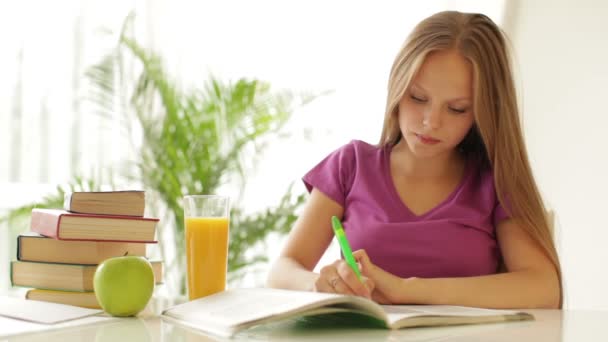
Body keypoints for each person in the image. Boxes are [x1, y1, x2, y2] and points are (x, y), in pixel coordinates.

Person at [266, 10, 561, 309]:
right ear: (397, 87)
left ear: (483, 113)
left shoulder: (493, 182)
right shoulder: (351, 165)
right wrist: (318, 285)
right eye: (418, 98)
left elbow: (543, 288)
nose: (431, 122)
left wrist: (407, 290)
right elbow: (283, 270)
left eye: (457, 109)